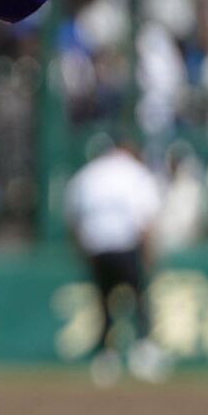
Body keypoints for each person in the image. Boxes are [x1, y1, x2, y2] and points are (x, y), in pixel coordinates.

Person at [64, 134, 168, 385]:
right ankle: (144, 353)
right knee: (140, 299)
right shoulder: (135, 173)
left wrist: (82, 251)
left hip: (96, 246)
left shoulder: (88, 173)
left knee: (104, 302)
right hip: (126, 244)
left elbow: (73, 217)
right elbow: (146, 219)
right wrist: (150, 254)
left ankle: (105, 358)